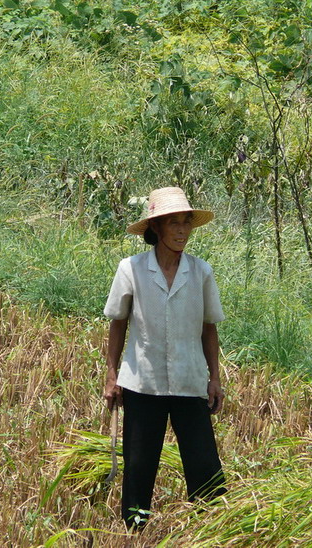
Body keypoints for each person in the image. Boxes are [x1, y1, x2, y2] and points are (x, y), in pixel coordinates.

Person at [103, 186, 227, 529]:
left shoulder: (200, 272)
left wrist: (214, 378)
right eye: (173, 223)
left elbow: (209, 328)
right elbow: (118, 323)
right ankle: (134, 530)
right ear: (156, 227)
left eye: (186, 223)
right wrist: (112, 376)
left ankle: (212, 530)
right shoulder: (131, 269)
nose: (182, 231)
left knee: (205, 469)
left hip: (189, 382)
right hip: (143, 382)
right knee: (139, 467)